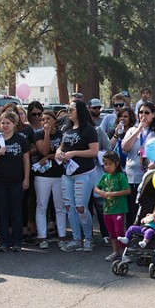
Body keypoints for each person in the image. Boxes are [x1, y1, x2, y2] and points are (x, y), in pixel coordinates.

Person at [0, 112, 32, 252]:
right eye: (3, 123)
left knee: (16, 211)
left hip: (16, 181)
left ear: (14, 124)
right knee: (2, 211)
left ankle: (17, 241)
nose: (5, 126)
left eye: (8, 123)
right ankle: (4, 241)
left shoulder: (20, 140)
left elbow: (26, 160)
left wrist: (26, 179)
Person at [57, 98, 100, 252]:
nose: (68, 112)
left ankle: (88, 238)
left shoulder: (89, 130)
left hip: (84, 173)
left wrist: (74, 153)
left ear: (80, 111)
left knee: (81, 206)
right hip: (67, 174)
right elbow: (61, 147)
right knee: (69, 206)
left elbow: (94, 151)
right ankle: (76, 238)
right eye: (68, 109)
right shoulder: (66, 129)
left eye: (71, 109)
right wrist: (59, 153)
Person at [32, 111, 68, 249]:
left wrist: (49, 157)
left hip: (59, 175)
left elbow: (62, 153)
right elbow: (44, 151)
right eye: (43, 119)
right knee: (42, 206)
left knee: (60, 206)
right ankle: (42, 237)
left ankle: (62, 236)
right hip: (43, 176)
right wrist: (46, 134)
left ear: (55, 120)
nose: (45, 121)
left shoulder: (62, 135)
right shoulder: (39, 134)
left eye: (48, 119)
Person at [94, 150, 131, 262]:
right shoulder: (104, 176)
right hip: (107, 209)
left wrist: (113, 194)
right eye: (105, 164)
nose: (107, 167)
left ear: (116, 164)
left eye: (110, 164)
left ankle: (124, 252)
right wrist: (101, 193)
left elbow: (127, 190)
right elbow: (97, 187)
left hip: (118, 209)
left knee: (119, 230)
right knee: (111, 232)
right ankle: (115, 252)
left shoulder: (120, 176)